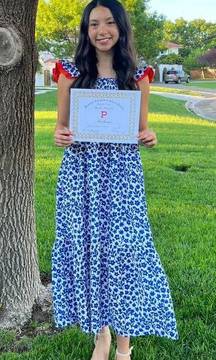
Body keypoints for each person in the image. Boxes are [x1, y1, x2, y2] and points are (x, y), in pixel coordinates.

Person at [51, 1, 179, 359]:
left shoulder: (137, 75)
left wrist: (150, 136)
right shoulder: (69, 71)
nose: (101, 30)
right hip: (82, 174)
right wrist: (60, 135)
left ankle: (124, 344)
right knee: (90, 250)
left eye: (109, 22)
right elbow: (61, 128)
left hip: (122, 179)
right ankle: (101, 334)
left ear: (121, 28)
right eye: (93, 24)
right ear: (85, 30)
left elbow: (141, 129)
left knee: (124, 253)